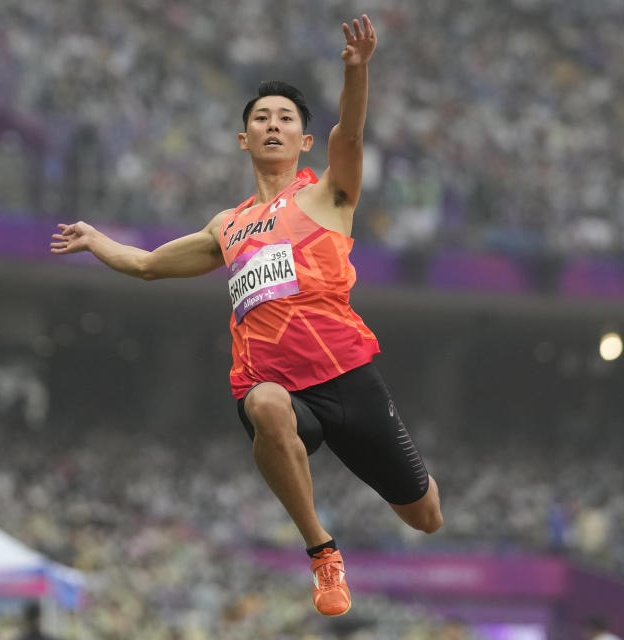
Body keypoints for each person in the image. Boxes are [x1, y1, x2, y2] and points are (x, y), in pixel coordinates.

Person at [50, 14, 442, 617]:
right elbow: (151, 264)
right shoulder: (225, 227)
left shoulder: (328, 194)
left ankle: (390, 486)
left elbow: (352, 137)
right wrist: (96, 240)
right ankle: (323, 554)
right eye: (261, 118)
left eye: (286, 118)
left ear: (303, 140)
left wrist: (357, 73)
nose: (274, 125)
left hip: (345, 374)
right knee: (262, 403)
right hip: (279, 389)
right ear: (244, 139)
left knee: (426, 517)